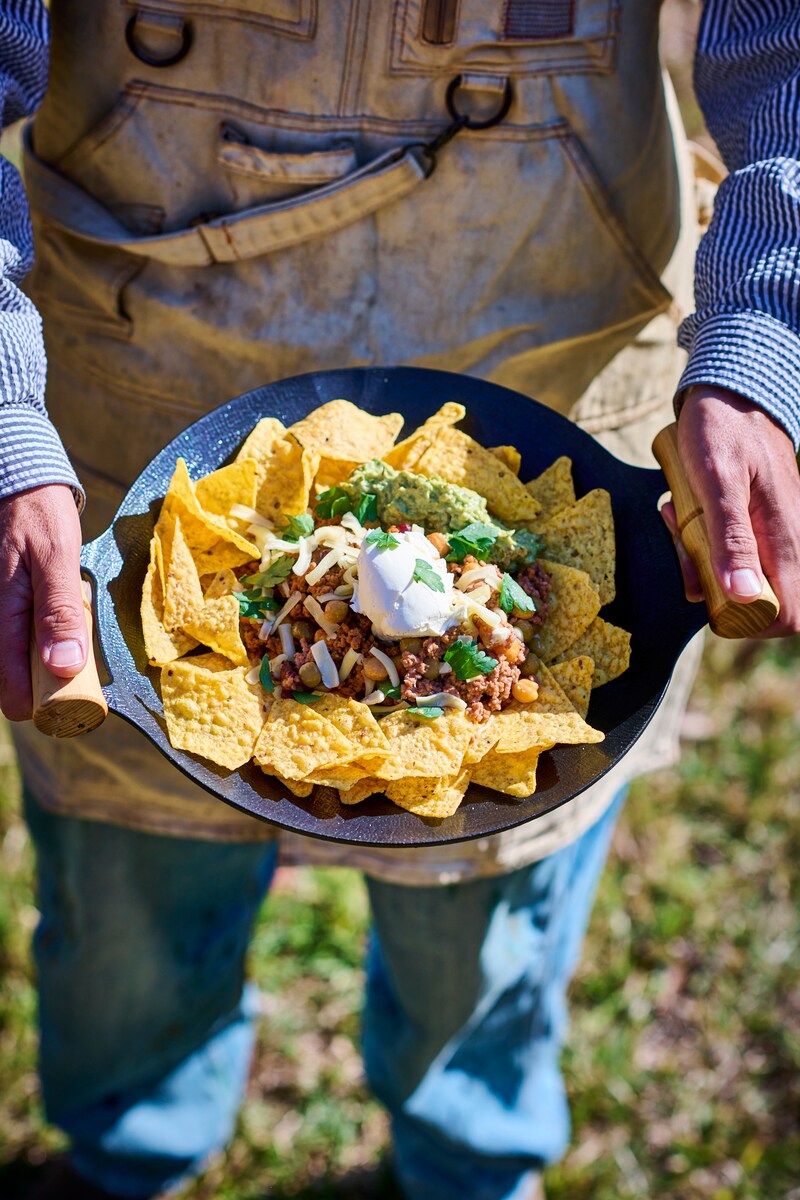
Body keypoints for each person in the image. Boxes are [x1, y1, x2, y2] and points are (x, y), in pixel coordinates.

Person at [0, 2, 798, 1198]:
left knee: (484, 941)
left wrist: (761, 333)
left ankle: (469, 1167)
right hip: (137, 358)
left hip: (558, 325)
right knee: (129, 905)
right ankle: (130, 1157)